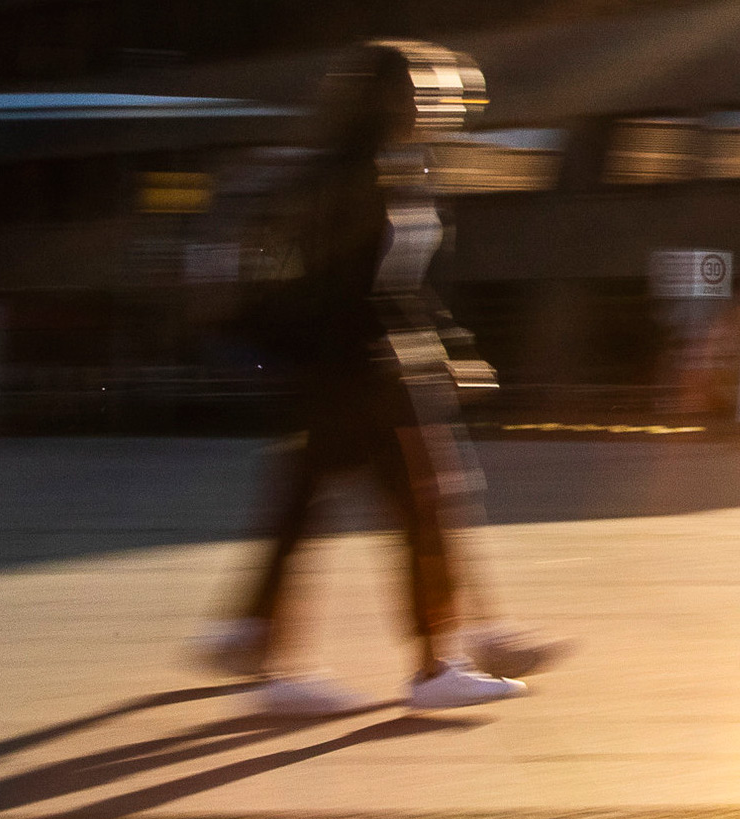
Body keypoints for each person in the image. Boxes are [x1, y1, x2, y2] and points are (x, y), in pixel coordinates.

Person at [196, 39, 566, 714]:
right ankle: (432, 667)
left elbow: (389, 285)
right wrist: (421, 357)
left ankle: (264, 644)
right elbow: (360, 288)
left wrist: (440, 347)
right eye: (427, 93)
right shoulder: (366, 176)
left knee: (323, 508)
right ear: (395, 100)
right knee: (423, 506)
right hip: (366, 373)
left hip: (346, 371)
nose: (439, 106)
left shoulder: (363, 168)